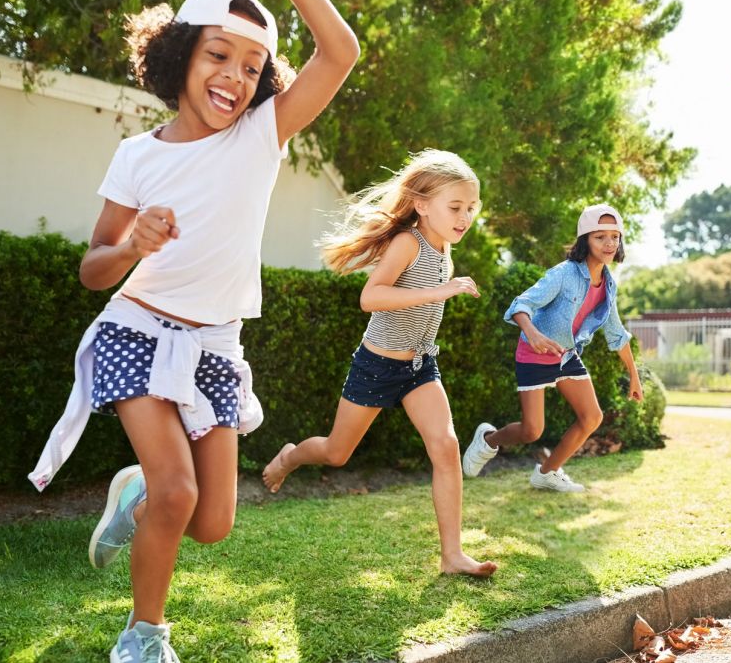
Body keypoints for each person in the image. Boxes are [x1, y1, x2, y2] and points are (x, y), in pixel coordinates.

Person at [27, 0, 359, 660]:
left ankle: (132, 493)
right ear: (179, 55)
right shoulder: (136, 156)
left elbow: (341, 53)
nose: (234, 78)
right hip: (135, 330)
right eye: (218, 55)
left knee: (211, 523)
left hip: (214, 346)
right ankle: (143, 637)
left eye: (252, 66)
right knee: (178, 494)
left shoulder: (260, 137)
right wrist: (130, 245)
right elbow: (92, 269)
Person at [259, 150, 497, 577]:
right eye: (455, 207)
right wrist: (440, 292)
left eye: (471, 208)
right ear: (422, 205)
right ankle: (291, 457)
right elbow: (372, 297)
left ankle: (452, 556)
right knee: (336, 452)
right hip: (377, 366)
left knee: (445, 447)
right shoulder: (409, 243)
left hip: (420, 368)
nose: (465, 217)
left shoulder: (444, 247)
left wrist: (440, 292)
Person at [462, 204, 644, 492]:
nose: (610, 243)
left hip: (566, 355)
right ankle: (488, 440)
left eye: (615, 236)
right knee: (532, 430)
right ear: (585, 239)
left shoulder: (608, 285)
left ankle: (547, 473)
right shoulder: (564, 274)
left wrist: (634, 375)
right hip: (535, 354)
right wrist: (532, 333)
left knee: (592, 417)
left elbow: (616, 333)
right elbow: (520, 304)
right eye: (600, 237)